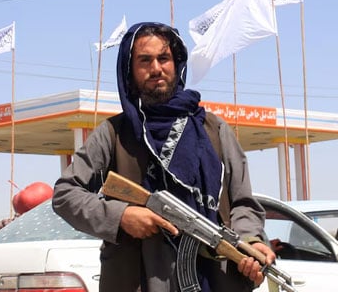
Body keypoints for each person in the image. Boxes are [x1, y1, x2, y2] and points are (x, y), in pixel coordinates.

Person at [53, 22, 275, 292]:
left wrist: (250, 242)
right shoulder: (113, 134)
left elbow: (244, 203)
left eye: (164, 58)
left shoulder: (214, 130)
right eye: (144, 60)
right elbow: (66, 194)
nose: (156, 68)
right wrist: (121, 215)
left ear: (177, 63)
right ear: (130, 70)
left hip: (215, 280)